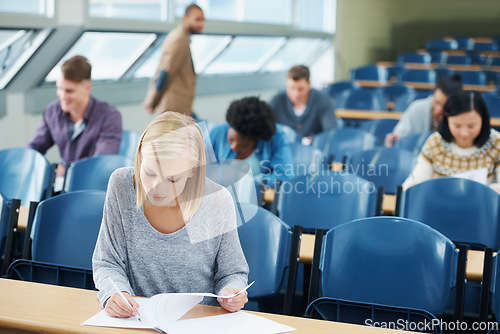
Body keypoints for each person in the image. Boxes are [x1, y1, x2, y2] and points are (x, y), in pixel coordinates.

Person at [93, 111, 249, 318]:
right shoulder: (121, 185)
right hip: (136, 320)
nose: (157, 188)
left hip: (198, 322)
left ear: (193, 170)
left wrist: (230, 292)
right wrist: (115, 293)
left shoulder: (218, 200)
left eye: (173, 179)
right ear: (140, 155)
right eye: (149, 173)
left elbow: (233, 273)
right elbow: (107, 262)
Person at [28, 55, 122, 178]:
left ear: (87, 87)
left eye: (69, 91)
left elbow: (100, 162)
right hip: (62, 181)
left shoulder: (109, 116)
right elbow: (35, 148)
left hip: (92, 181)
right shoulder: (52, 111)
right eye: (59, 88)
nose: (62, 95)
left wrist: (65, 170)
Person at [402, 90, 500, 193]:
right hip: (440, 206)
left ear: (483, 120)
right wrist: (412, 187)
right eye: (457, 126)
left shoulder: (496, 143)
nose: (464, 133)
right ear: (447, 120)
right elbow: (417, 179)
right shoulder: (436, 143)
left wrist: (495, 189)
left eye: (471, 126)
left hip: (483, 207)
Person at [209, 96, 294, 184]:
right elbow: (202, 172)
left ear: (257, 140)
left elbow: (285, 176)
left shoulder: (276, 136)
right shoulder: (217, 133)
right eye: (231, 139)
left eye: (243, 146)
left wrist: (247, 181)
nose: (233, 147)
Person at [142, 4, 205, 116]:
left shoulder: (183, 37)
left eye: (203, 20)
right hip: (172, 108)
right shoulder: (179, 39)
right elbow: (165, 72)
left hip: (179, 107)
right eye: (197, 19)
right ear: (185, 18)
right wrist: (151, 101)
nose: (202, 24)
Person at [385, 74, 462, 147]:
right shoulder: (417, 107)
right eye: (437, 102)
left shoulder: (460, 116)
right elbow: (400, 134)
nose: (438, 110)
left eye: (444, 107)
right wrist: (394, 139)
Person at [268, 65, 338, 140]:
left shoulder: (323, 100)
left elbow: (331, 132)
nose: (296, 94)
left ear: (309, 84)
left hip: (313, 149)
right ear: (286, 84)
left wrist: (314, 139)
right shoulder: (276, 101)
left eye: (300, 89)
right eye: (292, 88)